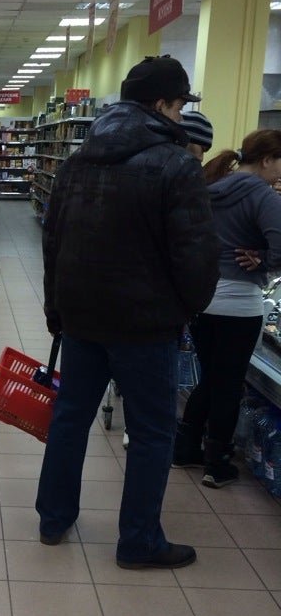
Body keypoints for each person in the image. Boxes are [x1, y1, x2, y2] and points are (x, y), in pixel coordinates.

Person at [38, 55, 219, 570]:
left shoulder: (77, 162)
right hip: (146, 327)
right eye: (179, 105)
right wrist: (188, 308)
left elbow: (53, 242)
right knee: (152, 433)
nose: (181, 115)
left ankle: (53, 518)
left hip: (81, 319)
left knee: (69, 419)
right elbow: (196, 255)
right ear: (161, 104)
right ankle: (138, 541)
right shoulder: (176, 165)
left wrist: (56, 308)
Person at [173, 129, 281, 487]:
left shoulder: (212, 188)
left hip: (204, 300)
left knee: (211, 377)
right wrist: (264, 260)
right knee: (229, 384)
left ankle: (186, 447)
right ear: (267, 159)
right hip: (240, 306)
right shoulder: (263, 196)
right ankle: (216, 462)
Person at [120, 107, 216, 451]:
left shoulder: (130, 168)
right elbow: (193, 252)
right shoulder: (177, 177)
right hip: (156, 308)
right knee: (152, 416)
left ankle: (137, 422)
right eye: (197, 151)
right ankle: (141, 426)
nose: (198, 160)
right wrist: (192, 303)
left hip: (125, 303)